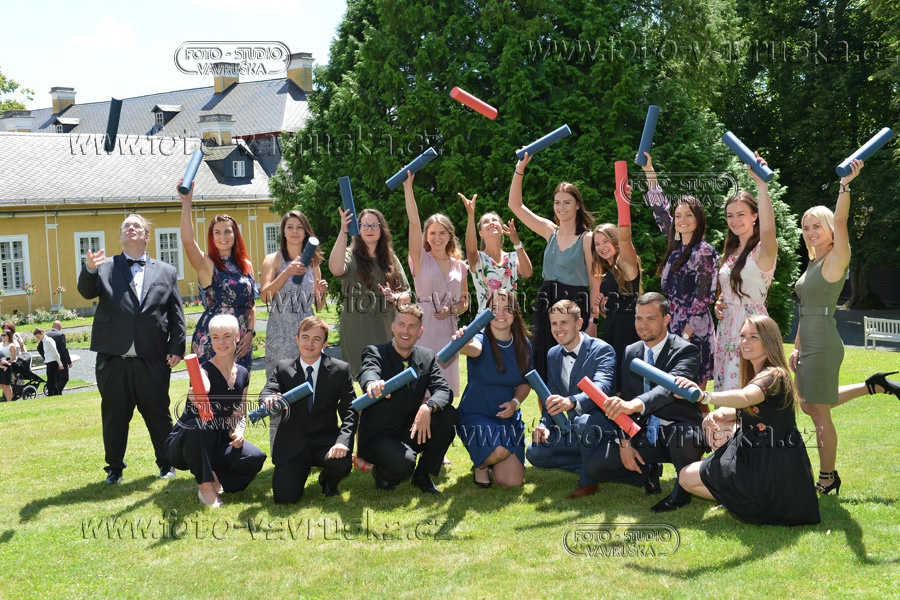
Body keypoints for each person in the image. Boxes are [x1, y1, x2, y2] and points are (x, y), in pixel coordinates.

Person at [789, 160, 900, 494]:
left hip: (824, 341)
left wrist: (845, 185)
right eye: (806, 227)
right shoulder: (814, 261)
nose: (811, 232)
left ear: (829, 229)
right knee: (810, 404)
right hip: (809, 339)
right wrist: (796, 346)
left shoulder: (837, 257)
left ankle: (827, 478)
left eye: (817, 226)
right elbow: (806, 308)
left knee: (818, 411)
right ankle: (872, 385)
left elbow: (841, 219)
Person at [676, 315, 820, 525]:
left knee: (685, 478)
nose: (745, 341)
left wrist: (704, 396)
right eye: (743, 335)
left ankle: (741, 500)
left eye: (754, 337)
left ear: (769, 341)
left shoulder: (774, 375)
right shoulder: (760, 372)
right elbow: (752, 407)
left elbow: (745, 398)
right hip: (760, 456)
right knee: (717, 430)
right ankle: (739, 497)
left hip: (770, 467)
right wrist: (717, 414)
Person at [77, 213, 186, 484]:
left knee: (158, 414)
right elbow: (86, 292)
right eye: (126, 225)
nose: (131, 228)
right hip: (114, 357)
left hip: (153, 357)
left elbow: (176, 312)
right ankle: (114, 469)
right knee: (114, 416)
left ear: (147, 236)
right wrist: (89, 268)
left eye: (137, 225)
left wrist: (177, 347)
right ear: (120, 236)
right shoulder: (105, 268)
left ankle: (167, 464)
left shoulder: (166, 271)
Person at [586, 292, 704, 513]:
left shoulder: (686, 351)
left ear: (666, 319)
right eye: (639, 318)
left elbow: (669, 389)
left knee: (683, 436)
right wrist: (624, 441)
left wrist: (635, 404)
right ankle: (648, 471)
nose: (643, 324)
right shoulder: (631, 351)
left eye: (651, 318)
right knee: (597, 466)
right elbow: (626, 397)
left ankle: (681, 494)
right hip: (644, 431)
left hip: (679, 428)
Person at [508, 151, 596, 381]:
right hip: (546, 301)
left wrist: (593, 321)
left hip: (575, 302)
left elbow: (595, 282)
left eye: (567, 202)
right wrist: (520, 168)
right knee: (542, 364)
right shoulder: (549, 231)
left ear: (577, 205)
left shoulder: (587, 238)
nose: (561, 207)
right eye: (557, 202)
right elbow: (515, 205)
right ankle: (546, 406)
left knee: (573, 366)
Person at [166, 315, 266, 508]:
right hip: (186, 443)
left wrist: (239, 431)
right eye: (216, 337)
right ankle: (206, 489)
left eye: (227, 336)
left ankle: (215, 477)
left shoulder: (243, 373)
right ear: (210, 340)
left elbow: (240, 414)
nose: (221, 342)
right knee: (199, 426)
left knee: (255, 458)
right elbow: (200, 386)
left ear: (238, 337)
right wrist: (197, 392)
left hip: (218, 441)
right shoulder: (203, 371)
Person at [357, 304, 458, 494]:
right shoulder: (375, 352)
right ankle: (382, 472)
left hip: (410, 429)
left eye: (412, 326)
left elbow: (444, 390)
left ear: (420, 332)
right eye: (401, 324)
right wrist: (372, 383)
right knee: (404, 465)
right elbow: (369, 370)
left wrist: (428, 407)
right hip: (378, 436)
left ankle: (423, 475)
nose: (406, 331)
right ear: (393, 327)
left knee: (449, 415)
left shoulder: (426, 356)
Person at [640, 153, 718, 390]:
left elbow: (703, 299)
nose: (682, 220)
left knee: (692, 393)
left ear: (698, 219)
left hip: (693, 331)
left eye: (688, 215)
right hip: (672, 326)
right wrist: (649, 170)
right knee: (671, 390)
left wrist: (685, 335)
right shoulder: (675, 246)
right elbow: (660, 208)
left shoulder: (703, 251)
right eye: (679, 215)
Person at [525, 300, 617, 498]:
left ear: (579, 323)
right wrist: (544, 425)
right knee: (535, 453)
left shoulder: (602, 350)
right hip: (574, 431)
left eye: (564, 322)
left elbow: (602, 388)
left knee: (583, 422)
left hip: (603, 429)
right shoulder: (553, 354)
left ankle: (588, 481)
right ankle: (601, 467)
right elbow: (551, 397)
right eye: (554, 323)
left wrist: (572, 401)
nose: (558, 329)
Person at [261, 316, 357, 503]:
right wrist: (268, 398)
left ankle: (327, 481)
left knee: (340, 463)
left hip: (326, 442)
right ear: (297, 340)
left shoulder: (340, 369)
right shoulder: (283, 368)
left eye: (316, 339)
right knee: (284, 499)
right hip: (293, 445)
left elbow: (349, 411)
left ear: (325, 343)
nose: (309, 344)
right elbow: (269, 389)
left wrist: (343, 442)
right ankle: (298, 472)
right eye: (305, 337)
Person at [259, 210, 328, 449]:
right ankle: (280, 447)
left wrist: (321, 292)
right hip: (280, 331)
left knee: (308, 385)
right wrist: (287, 272)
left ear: (306, 232)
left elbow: (318, 305)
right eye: (290, 227)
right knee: (280, 387)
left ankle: (308, 445)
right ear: (283, 232)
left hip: (307, 334)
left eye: (299, 227)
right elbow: (265, 296)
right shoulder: (274, 259)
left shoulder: (313, 262)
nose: (295, 231)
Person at [456, 289, 534, 488]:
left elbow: (525, 382)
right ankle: (481, 466)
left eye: (507, 308)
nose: (500, 313)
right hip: (477, 415)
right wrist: (463, 341)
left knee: (512, 482)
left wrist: (515, 403)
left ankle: (489, 459)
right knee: (499, 451)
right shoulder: (480, 338)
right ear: (486, 313)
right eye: (494, 308)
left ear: (515, 314)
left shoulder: (523, 343)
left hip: (508, 419)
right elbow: (472, 348)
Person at [713, 153, 777, 392]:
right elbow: (731, 284)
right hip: (727, 330)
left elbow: (769, 230)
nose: (734, 220)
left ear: (754, 216)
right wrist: (721, 301)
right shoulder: (731, 251)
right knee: (725, 393)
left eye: (741, 214)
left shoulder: (763, 250)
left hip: (752, 329)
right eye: (730, 215)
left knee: (747, 392)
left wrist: (762, 185)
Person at [179, 180, 257, 371]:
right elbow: (188, 241)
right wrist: (186, 201)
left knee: (239, 385)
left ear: (235, 235)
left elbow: (251, 306)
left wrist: (250, 333)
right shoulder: (207, 264)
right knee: (208, 387)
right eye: (217, 232)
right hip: (212, 337)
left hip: (240, 339)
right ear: (212, 237)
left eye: (228, 231)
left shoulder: (246, 265)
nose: (223, 237)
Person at [403, 173, 469, 395]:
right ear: (426, 236)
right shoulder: (419, 258)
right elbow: (414, 222)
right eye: (432, 233)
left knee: (444, 390)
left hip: (448, 329)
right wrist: (408, 187)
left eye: (442, 233)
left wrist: (452, 310)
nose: (437, 238)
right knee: (422, 388)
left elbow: (464, 302)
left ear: (450, 236)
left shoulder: (460, 266)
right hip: (424, 327)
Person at [329, 207, 410, 378]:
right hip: (357, 331)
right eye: (364, 225)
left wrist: (394, 297)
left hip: (386, 331)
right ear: (358, 228)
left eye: (374, 225)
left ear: (382, 228)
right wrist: (343, 231)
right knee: (367, 379)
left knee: (389, 380)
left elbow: (407, 295)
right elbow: (335, 269)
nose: (369, 229)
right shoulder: (349, 255)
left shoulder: (391, 259)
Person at [460, 193, 532, 313]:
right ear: (481, 233)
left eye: (494, 220)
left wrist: (516, 242)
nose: (491, 223)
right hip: (486, 321)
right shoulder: (478, 259)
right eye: (486, 222)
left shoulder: (513, 257)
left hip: (509, 319)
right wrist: (471, 214)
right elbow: (471, 250)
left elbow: (527, 273)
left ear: (502, 229)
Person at [37, 321, 72, 395]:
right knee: (64, 377)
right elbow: (64, 349)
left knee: (54, 378)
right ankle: (57, 392)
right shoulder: (60, 335)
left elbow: (39, 348)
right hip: (60, 360)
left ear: (53, 327)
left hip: (50, 361)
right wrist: (69, 361)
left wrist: (45, 356)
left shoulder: (46, 335)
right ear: (60, 327)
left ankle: (55, 392)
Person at [33, 328, 65, 397]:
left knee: (51, 380)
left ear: (42, 333)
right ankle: (55, 394)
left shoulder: (48, 341)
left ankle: (51, 394)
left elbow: (55, 352)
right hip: (49, 362)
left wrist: (60, 363)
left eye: (38, 336)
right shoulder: (44, 341)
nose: (38, 338)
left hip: (52, 362)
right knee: (52, 380)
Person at [0, 330, 17, 402]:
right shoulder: (1, 344)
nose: (2, 337)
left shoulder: (11, 345)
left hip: (7, 364)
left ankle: (9, 400)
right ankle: (6, 399)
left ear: (8, 336)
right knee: (2, 384)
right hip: (0, 363)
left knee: (7, 384)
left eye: (4, 335)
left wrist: (7, 362)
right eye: (2, 335)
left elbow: (14, 357)